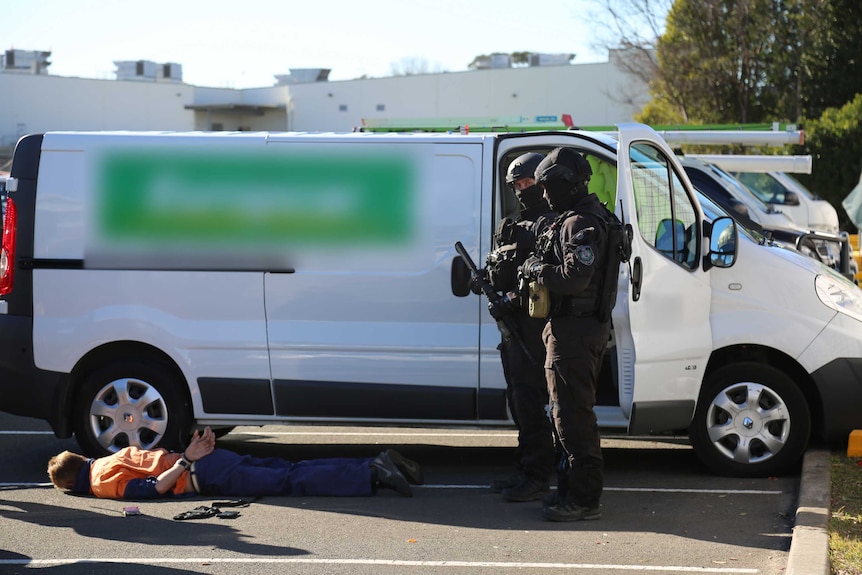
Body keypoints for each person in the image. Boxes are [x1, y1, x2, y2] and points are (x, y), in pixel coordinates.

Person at [519, 146, 623, 522]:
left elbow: (574, 278)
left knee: (572, 416)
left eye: (547, 186)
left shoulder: (580, 223)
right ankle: (570, 493)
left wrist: (536, 267)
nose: (543, 195)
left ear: (564, 183)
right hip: (573, 330)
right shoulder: (586, 218)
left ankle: (583, 499)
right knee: (565, 413)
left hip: (575, 333)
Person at [47, 426, 423, 500]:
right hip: (211, 458)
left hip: (201, 472)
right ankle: (375, 461)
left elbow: (152, 489)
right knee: (290, 469)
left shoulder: (100, 482)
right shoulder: (110, 457)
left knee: (290, 481)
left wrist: (187, 461)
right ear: (80, 458)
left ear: (69, 485)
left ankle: (373, 472)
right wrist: (192, 450)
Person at [483, 152, 557, 502]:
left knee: (531, 402)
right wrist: (482, 280)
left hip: (534, 330)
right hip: (510, 331)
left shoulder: (551, 224)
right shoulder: (509, 225)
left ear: (542, 184)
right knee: (517, 400)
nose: (523, 190)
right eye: (518, 185)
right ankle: (524, 469)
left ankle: (538, 475)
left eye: (528, 183)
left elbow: (545, 276)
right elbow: (501, 267)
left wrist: (513, 297)